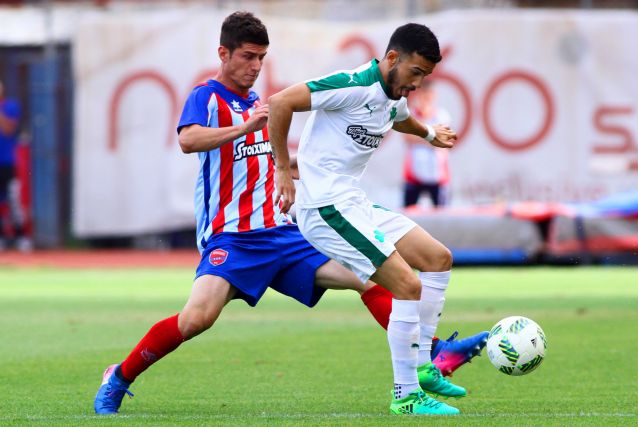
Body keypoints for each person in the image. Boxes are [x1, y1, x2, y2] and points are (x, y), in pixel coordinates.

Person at [94, 12, 486, 415]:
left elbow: (264, 159)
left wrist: (295, 166)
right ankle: (119, 376)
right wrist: (244, 130)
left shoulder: (256, 104)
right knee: (196, 319)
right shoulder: (207, 97)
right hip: (234, 237)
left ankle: (430, 353)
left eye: (261, 58)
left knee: (370, 279)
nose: (255, 66)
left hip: (284, 234)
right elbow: (188, 140)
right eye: (248, 56)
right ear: (223, 54)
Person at [269, 23, 465, 415]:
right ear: (392, 58)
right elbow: (279, 103)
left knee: (438, 258)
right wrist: (281, 170)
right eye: (415, 72)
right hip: (325, 208)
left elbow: (399, 117)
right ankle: (406, 395)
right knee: (407, 285)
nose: (417, 84)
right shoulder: (352, 84)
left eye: (425, 76)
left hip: (353, 203)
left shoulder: (393, 94)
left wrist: (429, 134)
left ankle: (424, 367)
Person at [403, 80, 451, 207]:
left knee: (442, 214)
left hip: (438, 175)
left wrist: (419, 134)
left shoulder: (442, 115)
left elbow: (442, 140)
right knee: (408, 213)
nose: (426, 98)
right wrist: (431, 137)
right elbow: (407, 137)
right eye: (424, 94)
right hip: (414, 175)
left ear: (434, 95)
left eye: (429, 94)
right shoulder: (412, 114)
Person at [0, 80, 29, 251]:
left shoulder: (10, 106)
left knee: (13, 199)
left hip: (6, 162)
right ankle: (2, 237)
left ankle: (21, 236)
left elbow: (8, 129)